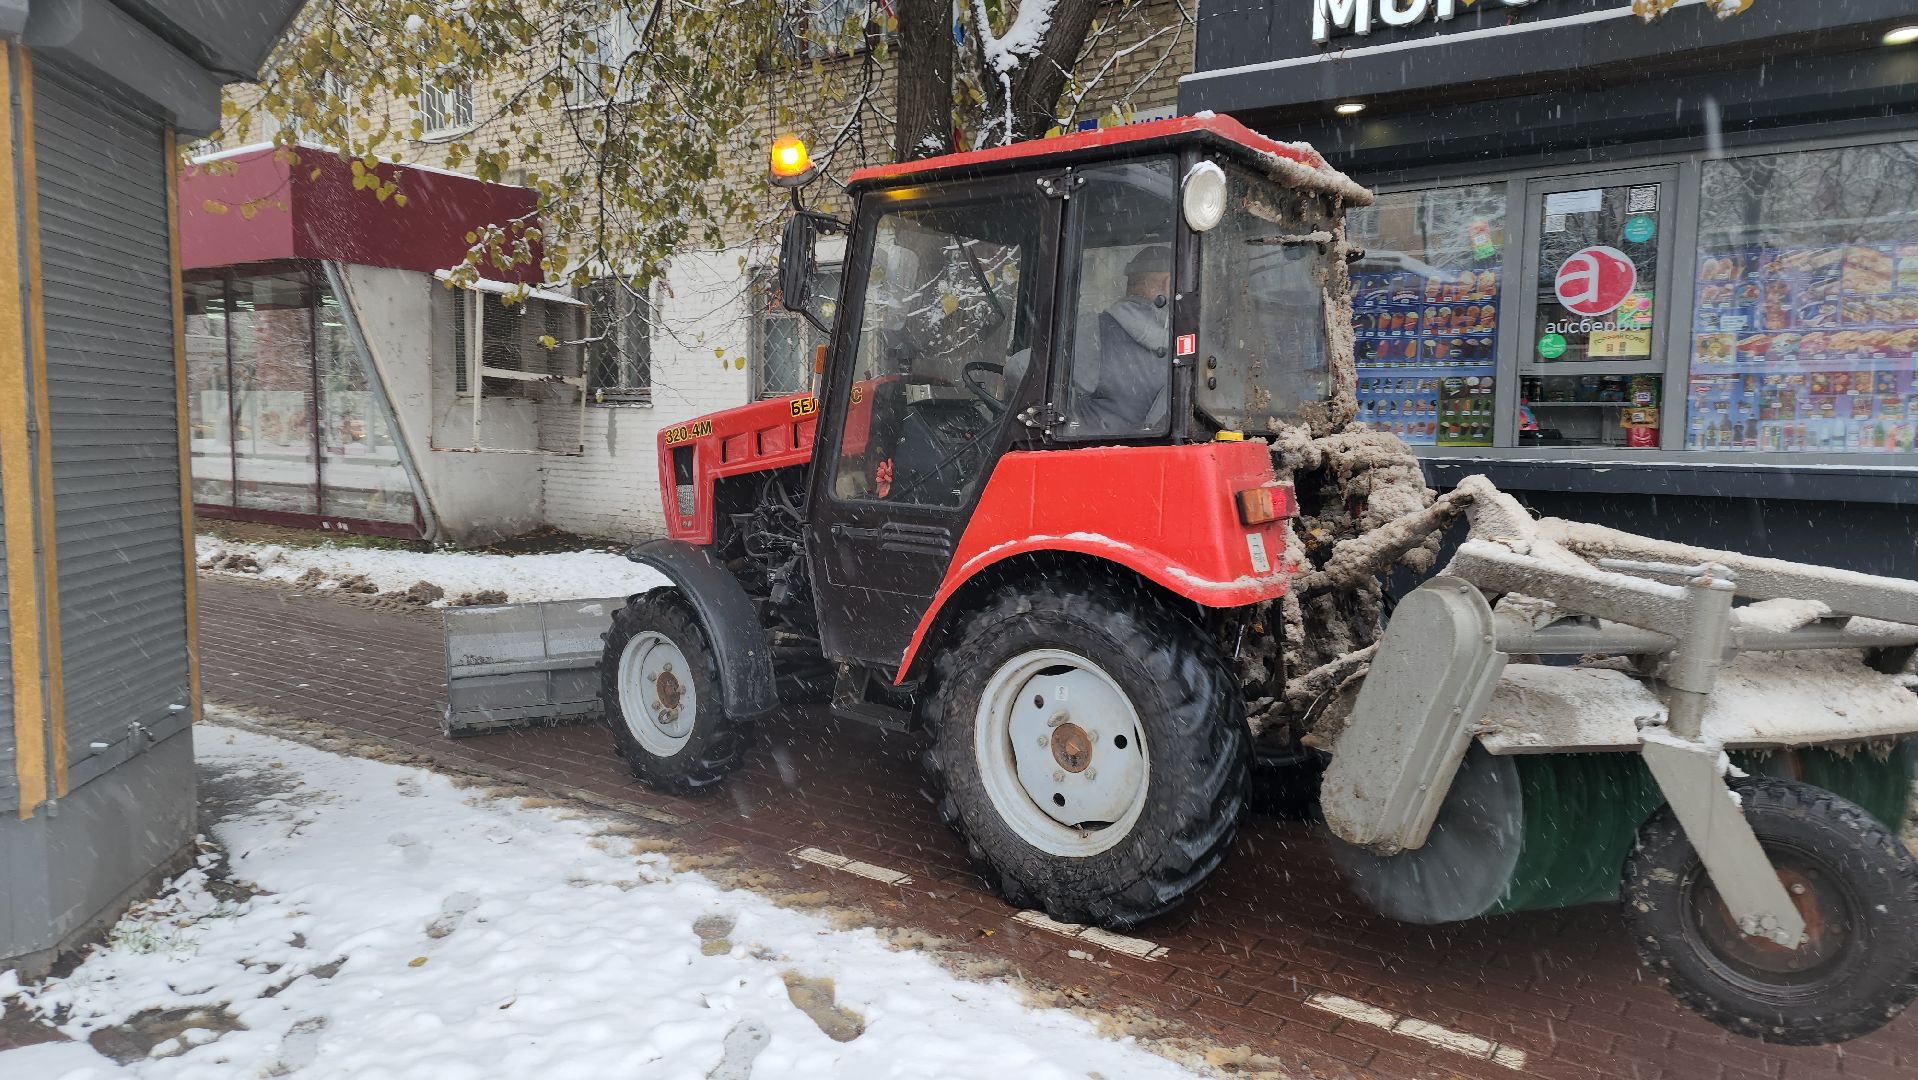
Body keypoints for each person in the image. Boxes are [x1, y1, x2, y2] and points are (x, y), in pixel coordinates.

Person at [1079, 245, 1170, 432]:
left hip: (1096, 448)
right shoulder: (1188, 346)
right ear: (1168, 284)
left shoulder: (1093, 331)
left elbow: (1022, 367)